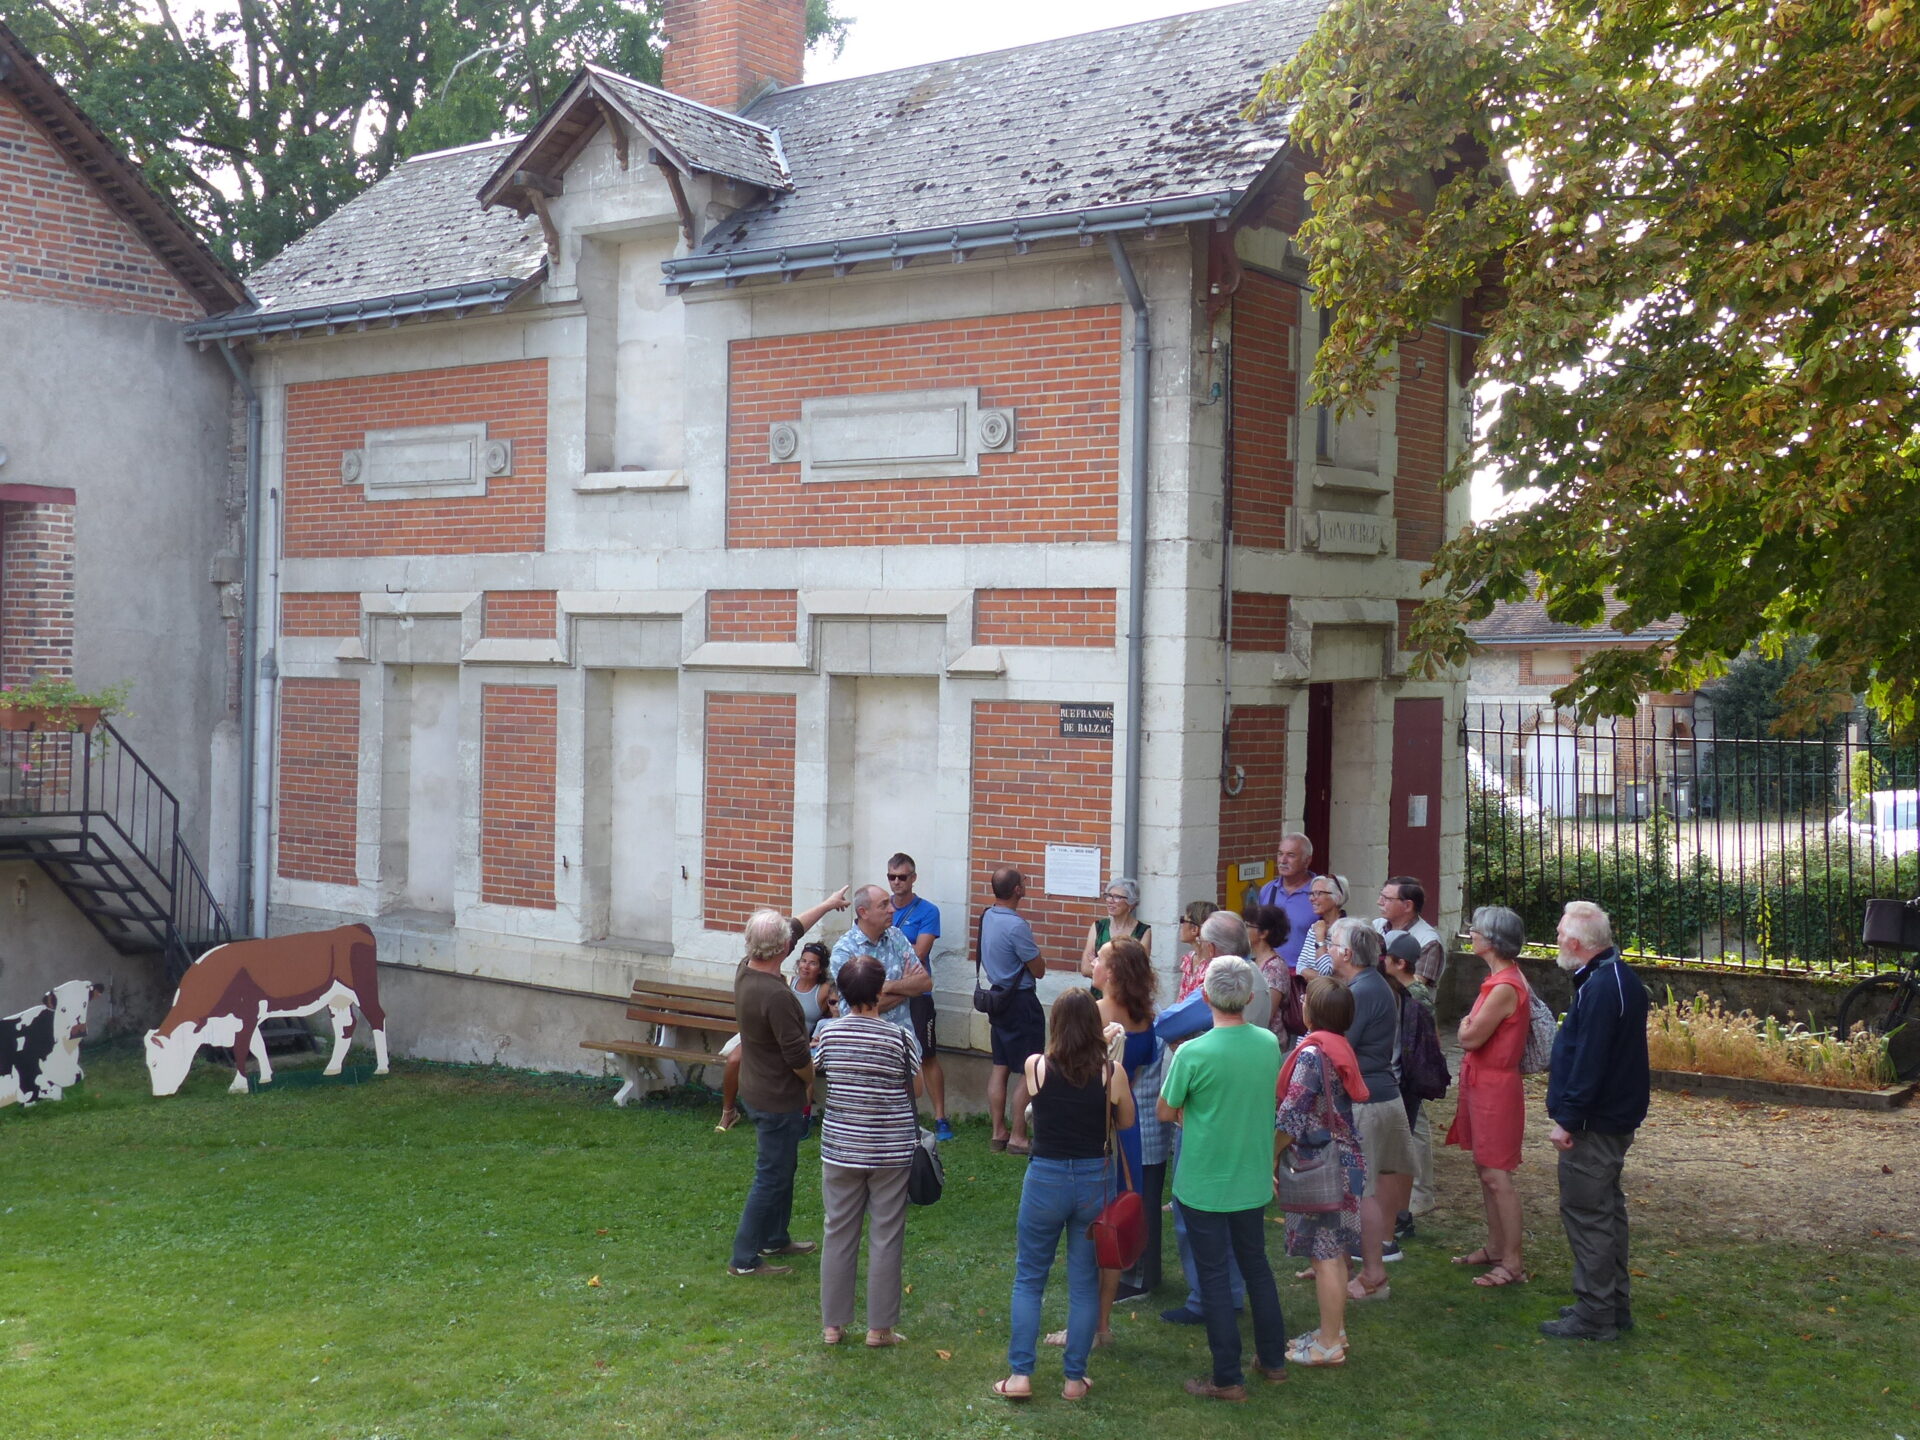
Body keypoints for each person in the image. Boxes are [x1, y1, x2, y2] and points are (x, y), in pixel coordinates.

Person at [1156, 957, 1288, 1401]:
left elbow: (1164, 1109)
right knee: (1257, 1268)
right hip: (1250, 1177)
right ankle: (1272, 1360)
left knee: (1213, 1276)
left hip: (1203, 1182)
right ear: (1250, 999)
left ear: (1205, 997)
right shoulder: (1268, 1043)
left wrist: (1188, 1115)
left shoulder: (1192, 1052)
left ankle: (1227, 1377)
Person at [994, 988, 1135, 1403]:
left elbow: (1032, 1102)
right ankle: (1074, 1379)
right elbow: (1125, 1122)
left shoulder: (1036, 1066)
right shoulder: (1112, 1073)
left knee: (1029, 1277)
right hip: (1094, 1181)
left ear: (1055, 1025)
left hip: (1046, 1179)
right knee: (1084, 1282)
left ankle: (1020, 1375)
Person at [1541, 901, 1650, 1342]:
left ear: (1576, 943)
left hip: (1595, 1125)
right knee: (1606, 1212)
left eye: (1561, 935)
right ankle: (1611, 1304)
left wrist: (1567, 1119)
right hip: (1611, 1119)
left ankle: (1595, 1313)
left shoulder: (1603, 986)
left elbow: (1590, 1061)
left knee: (1589, 1215)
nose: (1557, 942)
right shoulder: (1615, 978)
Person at [728, 896, 848, 1277]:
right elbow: (798, 1058)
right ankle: (744, 1259)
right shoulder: (777, 996)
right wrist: (811, 1083)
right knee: (771, 1175)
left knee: (784, 1166)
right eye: (789, 940)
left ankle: (775, 1238)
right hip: (776, 1098)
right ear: (783, 949)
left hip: (759, 1089)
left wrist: (828, 905)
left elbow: (794, 926)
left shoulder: (746, 969)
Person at [1155, 910, 1265, 1326]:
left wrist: (1186, 1040)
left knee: (1193, 1212)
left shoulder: (1221, 983)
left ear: (1213, 949)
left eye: (1201, 943)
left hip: (1204, 1117)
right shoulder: (1255, 984)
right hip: (1246, 1119)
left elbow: (1168, 1023)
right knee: (1239, 1218)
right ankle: (1231, 1293)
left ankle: (1208, 1298)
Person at [812, 954, 922, 1347]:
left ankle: (832, 1326)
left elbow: (818, 1072)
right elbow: (918, 1089)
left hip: (841, 1146)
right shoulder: (899, 1037)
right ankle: (880, 1329)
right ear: (879, 992)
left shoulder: (828, 1034)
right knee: (886, 1234)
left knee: (838, 1231)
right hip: (889, 1151)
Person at [1062, 937, 1165, 1331]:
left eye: (1100, 958)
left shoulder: (1092, 1012)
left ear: (1114, 973)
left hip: (1092, 1129)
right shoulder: (1144, 1017)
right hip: (1128, 1125)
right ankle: (1103, 1322)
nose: (1092, 961)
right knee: (1111, 1225)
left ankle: (1083, 1327)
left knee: (1087, 1229)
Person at [1274, 976, 1369, 1367]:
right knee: (1332, 1251)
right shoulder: (1339, 1046)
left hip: (1322, 1165)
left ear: (1313, 1012)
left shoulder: (1313, 1054)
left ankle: (1328, 1345)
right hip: (1346, 1162)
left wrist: (1268, 1156)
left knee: (1325, 1256)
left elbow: (1291, 1115)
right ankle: (1335, 1331)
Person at [1324, 917, 1415, 1298]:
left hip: (1366, 1102)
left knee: (1361, 1192)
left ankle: (1373, 1275)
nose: (1326, 947)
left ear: (1346, 952)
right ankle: (1339, 1266)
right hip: (1380, 1097)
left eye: (1330, 942)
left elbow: (1340, 1048)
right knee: (1358, 1190)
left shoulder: (1362, 992)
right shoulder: (1370, 984)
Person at [1446, 906, 1533, 1288]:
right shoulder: (1499, 980)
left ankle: (1512, 1262)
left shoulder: (1504, 987)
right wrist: (1467, 1027)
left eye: (1476, 930)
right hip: (1484, 1084)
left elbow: (1468, 1037)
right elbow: (1468, 1032)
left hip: (1496, 1089)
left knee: (1497, 1176)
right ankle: (1497, 1248)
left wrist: (1466, 1026)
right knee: (1486, 1171)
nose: (1470, 934)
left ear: (1494, 941)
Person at [719, 941, 835, 1133]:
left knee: (805, 1069)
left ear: (821, 968)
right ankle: (728, 1111)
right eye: (803, 961)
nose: (806, 966)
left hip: (798, 1042)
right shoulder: (787, 982)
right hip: (769, 1037)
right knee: (734, 1059)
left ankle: (802, 1119)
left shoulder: (823, 990)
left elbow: (835, 1013)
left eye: (813, 963)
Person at [981, 866, 1048, 1155]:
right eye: (1023, 881)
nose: (1026, 883)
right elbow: (1039, 969)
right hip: (1020, 1002)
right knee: (1029, 1068)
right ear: (1017, 890)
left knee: (1000, 1066)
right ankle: (1019, 1136)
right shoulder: (1016, 925)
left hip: (997, 999)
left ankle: (998, 1132)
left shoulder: (987, 916)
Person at [887, 853, 953, 1142]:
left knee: (927, 1054)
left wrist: (890, 948)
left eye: (903, 876)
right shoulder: (880, 907)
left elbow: (920, 953)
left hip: (917, 992)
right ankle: (894, 1114)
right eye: (892, 877)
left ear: (913, 878)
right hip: (887, 993)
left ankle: (940, 1117)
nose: (897, 882)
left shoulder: (928, 910)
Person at [1381, 932, 1439, 1235]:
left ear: (1399, 963)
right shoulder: (1405, 990)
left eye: (1385, 958)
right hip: (1407, 1080)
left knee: (1400, 1151)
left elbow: (1423, 1041)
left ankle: (1402, 1217)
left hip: (1407, 1082)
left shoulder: (1413, 995)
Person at [829, 884, 931, 1037]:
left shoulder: (896, 936)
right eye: (884, 905)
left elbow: (925, 983)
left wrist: (888, 986)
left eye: (889, 903)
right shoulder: (844, 950)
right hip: (866, 1047)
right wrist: (906, 989)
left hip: (902, 1046)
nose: (892, 909)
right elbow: (857, 1009)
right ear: (864, 912)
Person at [1255, 832, 1318, 972]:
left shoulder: (1319, 892)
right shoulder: (1268, 890)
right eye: (1280, 854)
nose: (1283, 860)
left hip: (1305, 977)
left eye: (1291, 855)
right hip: (1270, 973)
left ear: (1307, 860)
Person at [1244, 903, 1303, 1048]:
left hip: (1268, 1043)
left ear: (1264, 933)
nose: (1243, 930)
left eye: (1248, 926)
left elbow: (1266, 1013)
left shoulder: (1274, 967)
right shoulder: (1253, 960)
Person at [1372, 875, 1446, 988]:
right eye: (1381, 896)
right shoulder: (1376, 925)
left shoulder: (1428, 941)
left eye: (1387, 899)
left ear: (1407, 906)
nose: (1379, 902)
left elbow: (1415, 987)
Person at [1082, 876, 1153, 973]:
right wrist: (1122, 968)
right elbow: (1085, 969)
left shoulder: (1143, 931)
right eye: (1109, 895)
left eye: (1117, 897)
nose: (1110, 900)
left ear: (1131, 903)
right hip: (1099, 988)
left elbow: (1139, 972)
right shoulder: (1098, 926)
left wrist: (1098, 965)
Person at [1295, 874, 1349, 977]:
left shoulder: (1347, 932)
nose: (1311, 899)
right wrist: (1322, 980)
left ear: (1337, 897)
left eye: (1318, 893)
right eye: (1311, 893)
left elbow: (1328, 972)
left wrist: (1320, 938)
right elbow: (1300, 966)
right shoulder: (1315, 927)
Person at [1175, 900, 1219, 1000]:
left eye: (1183, 920)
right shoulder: (1188, 959)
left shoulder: (1213, 966)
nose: (1181, 925)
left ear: (1195, 929)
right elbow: (1180, 1000)